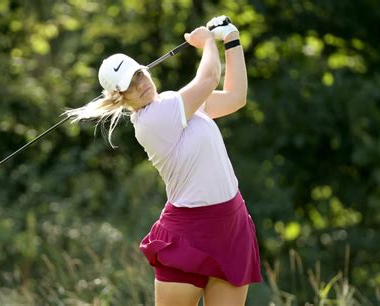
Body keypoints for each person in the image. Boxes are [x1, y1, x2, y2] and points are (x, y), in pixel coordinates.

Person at [65, 16, 262, 306]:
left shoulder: (174, 101)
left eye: (139, 75)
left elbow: (235, 97)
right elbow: (208, 79)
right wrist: (207, 41)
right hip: (189, 234)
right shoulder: (152, 120)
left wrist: (231, 39)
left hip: (231, 224)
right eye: (129, 86)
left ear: (146, 70)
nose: (140, 85)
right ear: (120, 98)